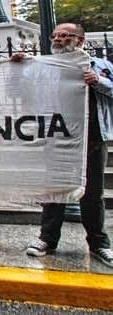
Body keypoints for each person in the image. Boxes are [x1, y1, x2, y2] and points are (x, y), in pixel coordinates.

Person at [21, 23, 113, 268]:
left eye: (65, 35)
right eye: (56, 36)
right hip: (58, 137)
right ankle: (47, 240)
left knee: (92, 194)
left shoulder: (102, 67)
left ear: (80, 40)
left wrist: (98, 83)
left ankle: (99, 245)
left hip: (93, 139)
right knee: (55, 191)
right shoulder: (46, 68)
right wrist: (17, 66)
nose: (59, 39)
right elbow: (21, 88)